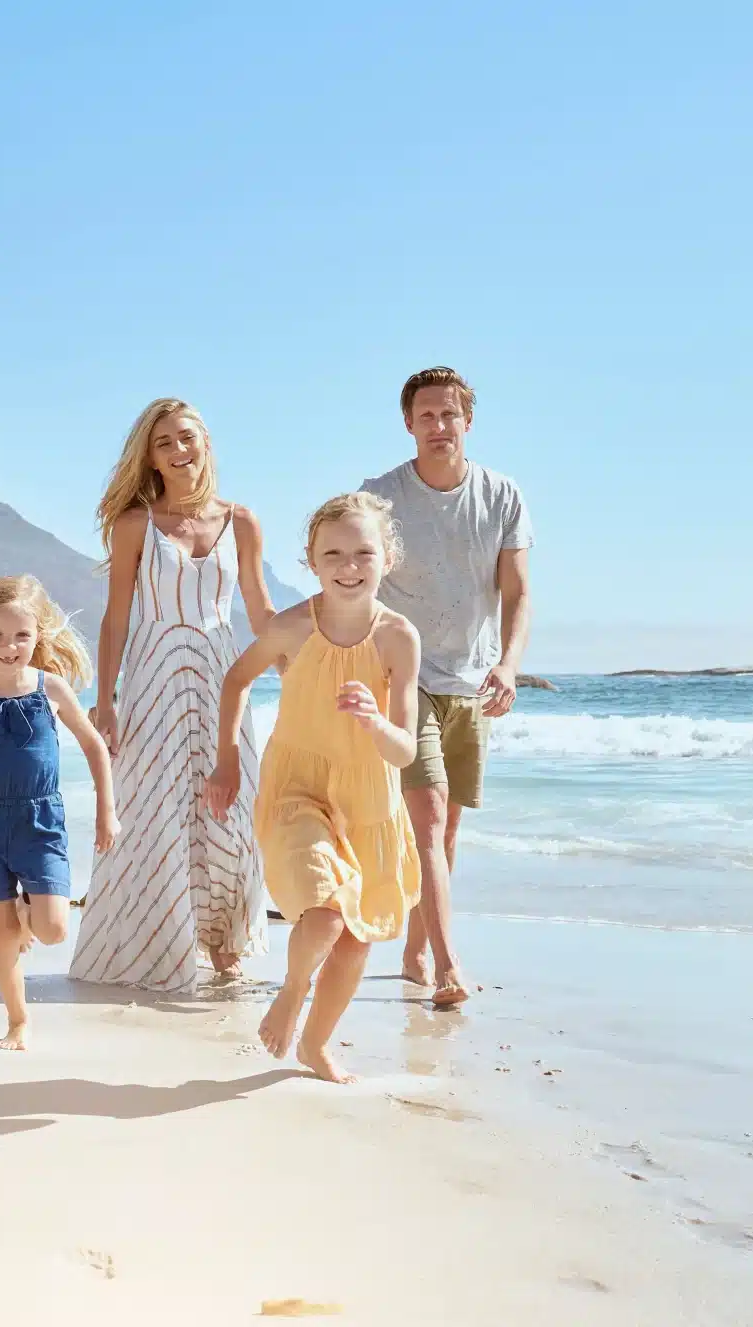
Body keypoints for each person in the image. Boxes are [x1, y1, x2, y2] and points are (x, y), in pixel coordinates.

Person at [206, 492, 422, 1084]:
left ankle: (316, 1045)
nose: (348, 566)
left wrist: (376, 723)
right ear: (311, 560)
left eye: (363, 553)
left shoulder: (399, 638)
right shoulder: (292, 629)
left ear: (387, 559)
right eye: (333, 553)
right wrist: (227, 760)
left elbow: (404, 748)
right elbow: (236, 681)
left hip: (369, 799)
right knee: (325, 914)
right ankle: (292, 991)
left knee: (357, 940)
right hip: (297, 788)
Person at [70, 399, 274, 992]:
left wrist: (313, 648)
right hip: (154, 675)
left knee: (233, 806)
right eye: (164, 443)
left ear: (205, 441)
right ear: (150, 457)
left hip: (220, 676)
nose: (179, 450)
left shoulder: (242, 522)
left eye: (187, 437)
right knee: (157, 809)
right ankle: (163, 942)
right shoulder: (135, 524)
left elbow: (259, 609)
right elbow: (115, 620)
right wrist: (105, 701)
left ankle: (224, 940)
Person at [361, 367, 532, 1009]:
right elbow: (352, 576)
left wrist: (509, 665)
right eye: (426, 415)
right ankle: (447, 964)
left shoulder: (501, 495)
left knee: (446, 829)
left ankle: (414, 948)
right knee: (428, 821)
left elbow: (516, 593)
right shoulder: (380, 499)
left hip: (471, 680)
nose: (438, 426)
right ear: (409, 424)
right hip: (406, 678)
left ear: (467, 421)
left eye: (449, 414)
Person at [0, 575, 118, 1051]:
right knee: (3, 934)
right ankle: (17, 1021)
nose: (9, 647)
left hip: (40, 821)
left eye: (21, 636)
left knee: (51, 930)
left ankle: (27, 909)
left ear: (39, 637)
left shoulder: (51, 689)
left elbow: (94, 745)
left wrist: (105, 812)